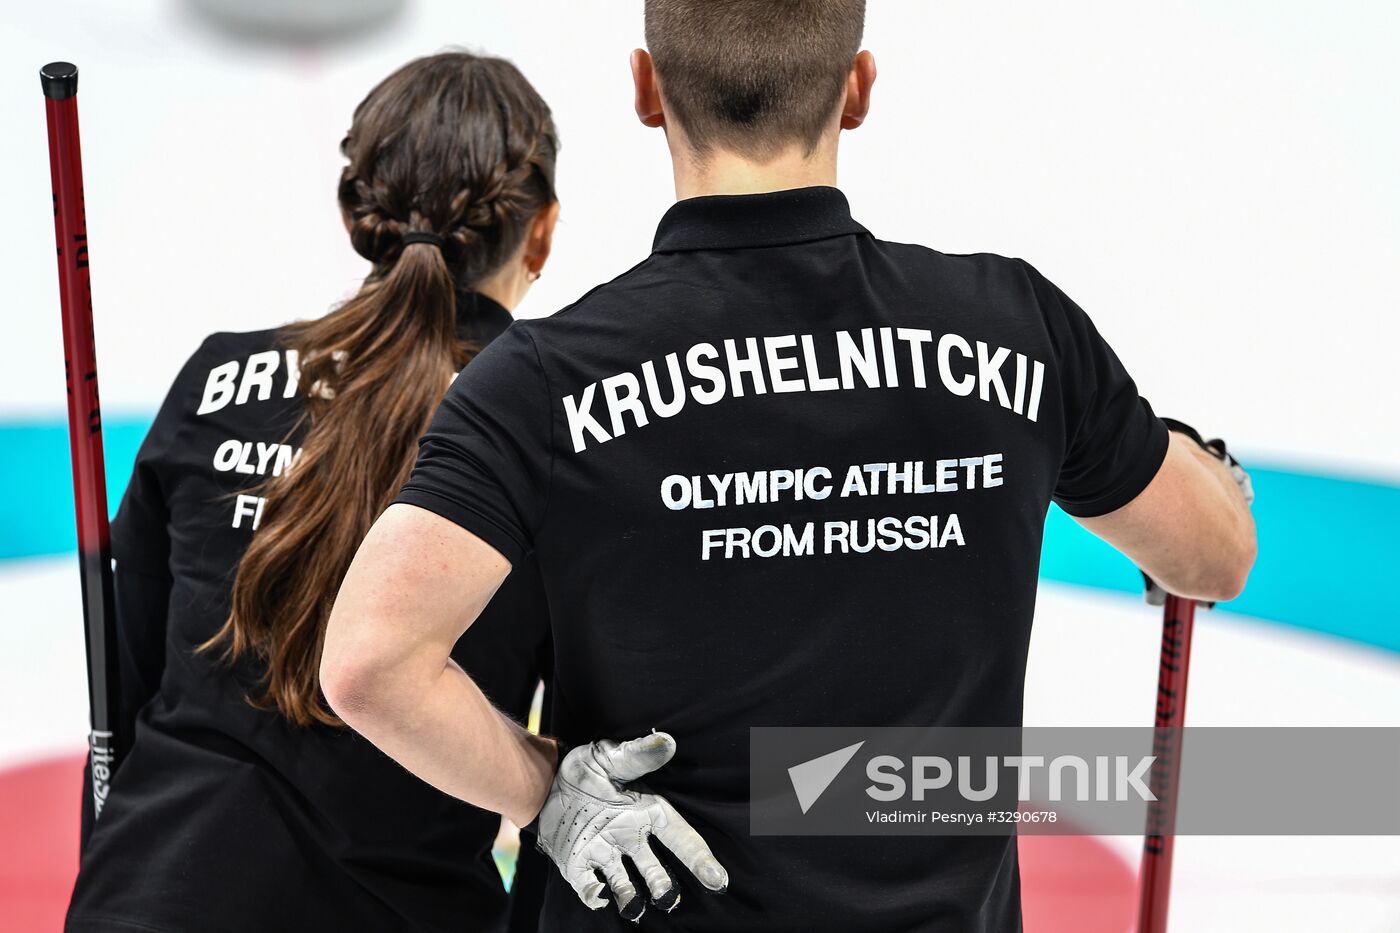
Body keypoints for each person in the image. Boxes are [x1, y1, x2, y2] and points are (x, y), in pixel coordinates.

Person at [321, 3, 1258, 931]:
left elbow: (370, 662)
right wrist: (1196, 473)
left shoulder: (546, 378)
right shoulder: (1015, 328)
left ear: (647, 89)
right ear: (856, 89)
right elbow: (1212, 559)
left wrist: (545, 791)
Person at [65, 52, 561, 933]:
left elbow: (125, 691)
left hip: (138, 898)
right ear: (542, 232)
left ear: (353, 213)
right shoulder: (552, 432)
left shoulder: (217, 376)